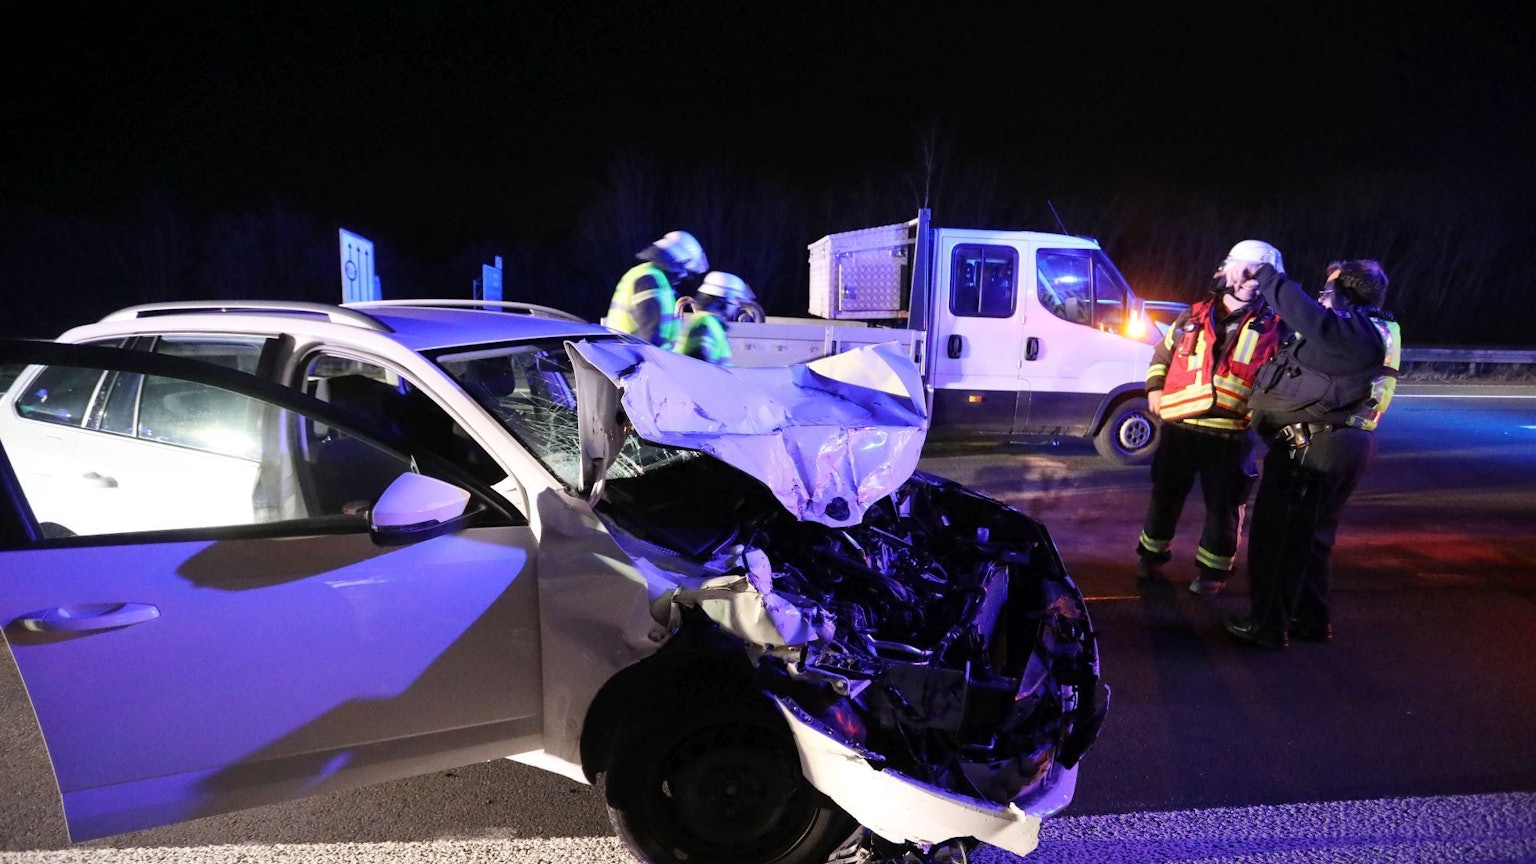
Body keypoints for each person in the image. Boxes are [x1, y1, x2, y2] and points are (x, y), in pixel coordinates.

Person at [1224, 259, 1401, 649]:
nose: (1322, 295)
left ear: (1347, 293)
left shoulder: (1355, 333)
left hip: (1313, 448)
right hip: (1335, 444)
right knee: (1312, 539)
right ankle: (1310, 618)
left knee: (1279, 539)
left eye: (1329, 288)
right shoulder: (1365, 332)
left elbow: (1311, 319)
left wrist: (1267, 275)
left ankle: (1267, 627)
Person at [1135, 240, 1284, 595]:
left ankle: (1212, 575)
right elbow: (1161, 356)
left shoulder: (1278, 325)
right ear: (1228, 271)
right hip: (1181, 428)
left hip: (1232, 434)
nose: (1253, 281)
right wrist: (1154, 389)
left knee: (1225, 509)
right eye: (1248, 271)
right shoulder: (1194, 315)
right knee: (1164, 497)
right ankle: (1150, 558)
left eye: (1263, 275)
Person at [607, 230, 709, 350]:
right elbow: (650, 332)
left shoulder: (653, 277)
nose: (683, 275)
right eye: (684, 269)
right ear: (678, 261)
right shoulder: (649, 280)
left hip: (629, 355)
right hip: (633, 357)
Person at [677, 271, 754, 365]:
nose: (737, 306)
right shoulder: (706, 323)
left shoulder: (712, 323)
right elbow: (699, 364)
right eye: (735, 301)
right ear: (724, 302)